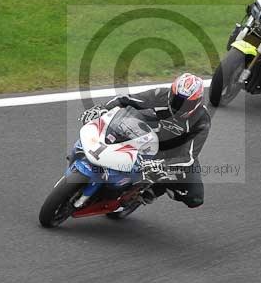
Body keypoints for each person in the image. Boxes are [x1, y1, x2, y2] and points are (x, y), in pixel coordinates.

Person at [79, 73, 209, 208]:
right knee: (119, 124)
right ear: (171, 93)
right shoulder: (161, 95)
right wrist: (103, 108)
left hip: (174, 153)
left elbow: (188, 157)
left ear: (197, 102)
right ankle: (90, 152)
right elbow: (126, 99)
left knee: (195, 198)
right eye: (177, 99)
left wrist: (161, 165)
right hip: (150, 134)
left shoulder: (201, 121)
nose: (179, 105)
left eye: (186, 103)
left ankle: (154, 191)